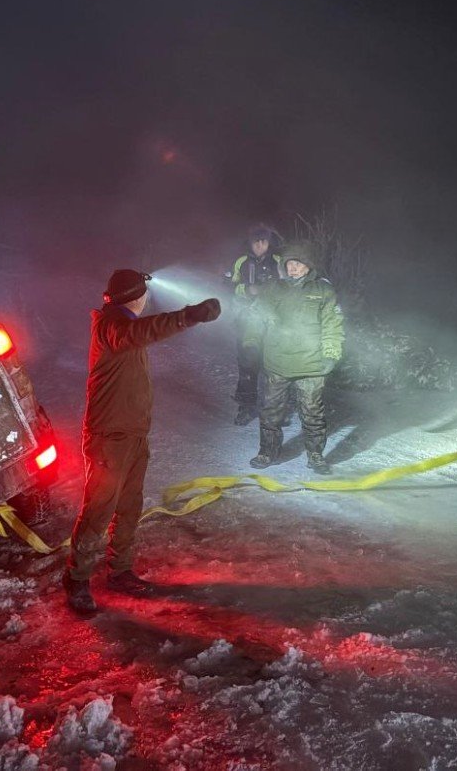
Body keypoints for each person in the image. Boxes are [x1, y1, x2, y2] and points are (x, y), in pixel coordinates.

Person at [63, 269, 222, 614]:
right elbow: (141, 332)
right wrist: (189, 315)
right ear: (138, 296)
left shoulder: (121, 325)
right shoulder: (112, 327)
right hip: (110, 439)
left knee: (129, 507)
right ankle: (76, 580)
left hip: (133, 435)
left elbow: (139, 333)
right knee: (99, 510)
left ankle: (119, 572)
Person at [244, 243, 344, 474]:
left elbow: (333, 325)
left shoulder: (324, 291)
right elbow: (255, 318)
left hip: (312, 365)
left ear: (308, 266)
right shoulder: (273, 289)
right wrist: (251, 343)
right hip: (277, 363)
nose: (293, 268)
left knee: (312, 413)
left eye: (298, 263)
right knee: (270, 411)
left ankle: (316, 455)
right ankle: (267, 452)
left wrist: (331, 354)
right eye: (289, 264)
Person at [228, 223, 284, 426]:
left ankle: (277, 409)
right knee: (248, 366)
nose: (260, 246)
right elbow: (228, 286)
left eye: (264, 241)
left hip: (273, 323)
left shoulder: (279, 261)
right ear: (250, 243)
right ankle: (246, 407)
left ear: (269, 242)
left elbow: (289, 287)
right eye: (256, 242)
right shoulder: (241, 262)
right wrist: (246, 290)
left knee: (274, 367)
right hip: (246, 321)